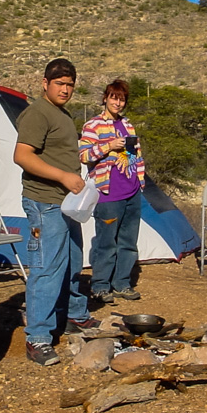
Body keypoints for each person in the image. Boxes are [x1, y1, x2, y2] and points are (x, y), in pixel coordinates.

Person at [13, 58, 99, 366]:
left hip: (67, 203)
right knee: (47, 268)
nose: (65, 90)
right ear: (45, 83)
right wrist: (62, 176)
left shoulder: (61, 114)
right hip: (44, 202)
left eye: (70, 85)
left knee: (74, 261)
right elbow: (21, 156)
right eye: (59, 84)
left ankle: (74, 316)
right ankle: (37, 337)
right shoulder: (37, 113)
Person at [79, 80, 147, 304]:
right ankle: (100, 285)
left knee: (128, 240)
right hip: (108, 193)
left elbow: (134, 153)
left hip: (131, 190)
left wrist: (136, 171)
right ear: (105, 98)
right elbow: (84, 155)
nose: (118, 103)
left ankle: (122, 283)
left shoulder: (127, 125)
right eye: (114, 98)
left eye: (122, 99)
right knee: (106, 241)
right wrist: (108, 146)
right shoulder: (93, 125)